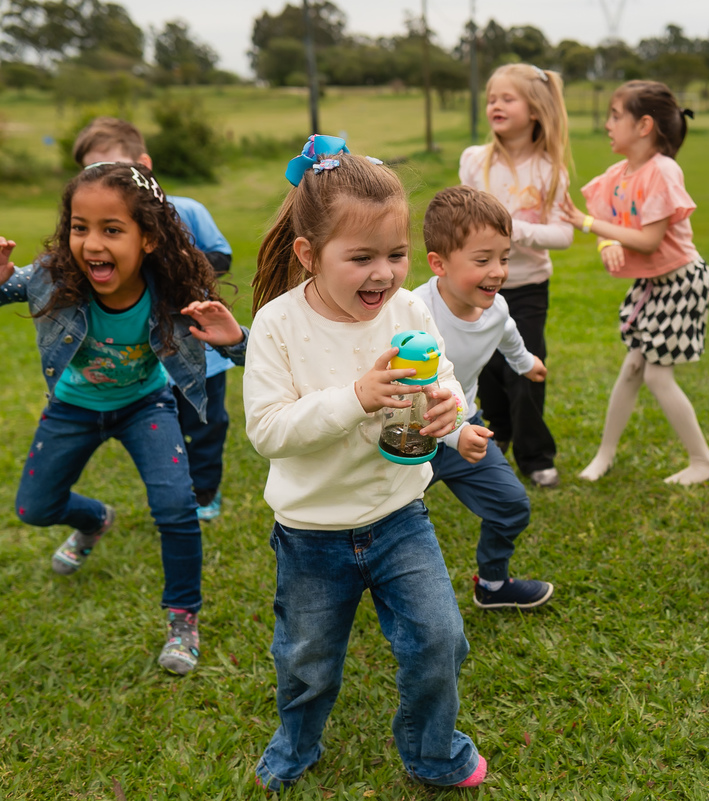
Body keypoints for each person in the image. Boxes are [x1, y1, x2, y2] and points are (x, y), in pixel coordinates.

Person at [245, 136, 485, 791]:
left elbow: (444, 376)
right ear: (309, 254)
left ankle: (434, 751)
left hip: (399, 515)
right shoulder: (277, 325)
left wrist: (449, 408)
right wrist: (355, 398)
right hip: (311, 533)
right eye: (361, 258)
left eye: (396, 254)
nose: (383, 274)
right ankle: (296, 741)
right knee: (308, 660)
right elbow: (268, 430)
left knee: (439, 639)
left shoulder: (407, 309)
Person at [0, 162, 247, 675]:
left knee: (177, 508)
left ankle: (182, 618)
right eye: (80, 227)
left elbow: (248, 352)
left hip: (145, 406)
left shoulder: (175, 289)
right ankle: (95, 520)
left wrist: (237, 339)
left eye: (111, 230)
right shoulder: (52, 275)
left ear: (148, 238)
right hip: (73, 407)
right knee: (34, 509)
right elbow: (9, 287)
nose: (92, 244)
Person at [72, 117, 235, 521]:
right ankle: (175, 492)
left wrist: (173, 263)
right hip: (148, 357)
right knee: (163, 429)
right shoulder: (98, 233)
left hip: (199, 347)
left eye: (112, 168)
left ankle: (205, 492)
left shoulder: (188, 210)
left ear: (143, 165)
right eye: (91, 172)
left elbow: (222, 257)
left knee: (206, 424)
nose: (102, 181)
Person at [562, 80, 709, 486]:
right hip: (654, 285)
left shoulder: (663, 171)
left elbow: (649, 240)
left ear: (644, 125)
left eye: (616, 116)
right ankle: (605, 455)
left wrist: (587, 224)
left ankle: (703, 460)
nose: (607, 124)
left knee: (655, 375)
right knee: (634, 367)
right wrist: (605, 243)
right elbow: (609, 225)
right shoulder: (617, 175)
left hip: (682, 283)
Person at [415, 185, 555, 609]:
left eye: (504, 258)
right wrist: (451, 432)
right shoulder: (413, 312)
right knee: (383, 522)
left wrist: (525, 363)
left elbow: (507, 333)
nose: (498, 272)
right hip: (413, 434)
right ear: (439, 264)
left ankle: (492, 585)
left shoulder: (496, 308)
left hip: (467, 428)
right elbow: (411, 388)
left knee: (511, 505)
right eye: (483, 260)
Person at [460, 63, 573, 488]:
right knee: (486, 367)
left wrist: (514, 229)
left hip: (527, 287)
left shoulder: (549, 170)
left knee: (523, 368)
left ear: (536, 110)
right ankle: (500, 432)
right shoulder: (474, 161)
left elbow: (563, 235)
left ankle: (536, 456)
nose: (496, 105)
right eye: (492, 98)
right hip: (478, 287)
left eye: (508, 98)